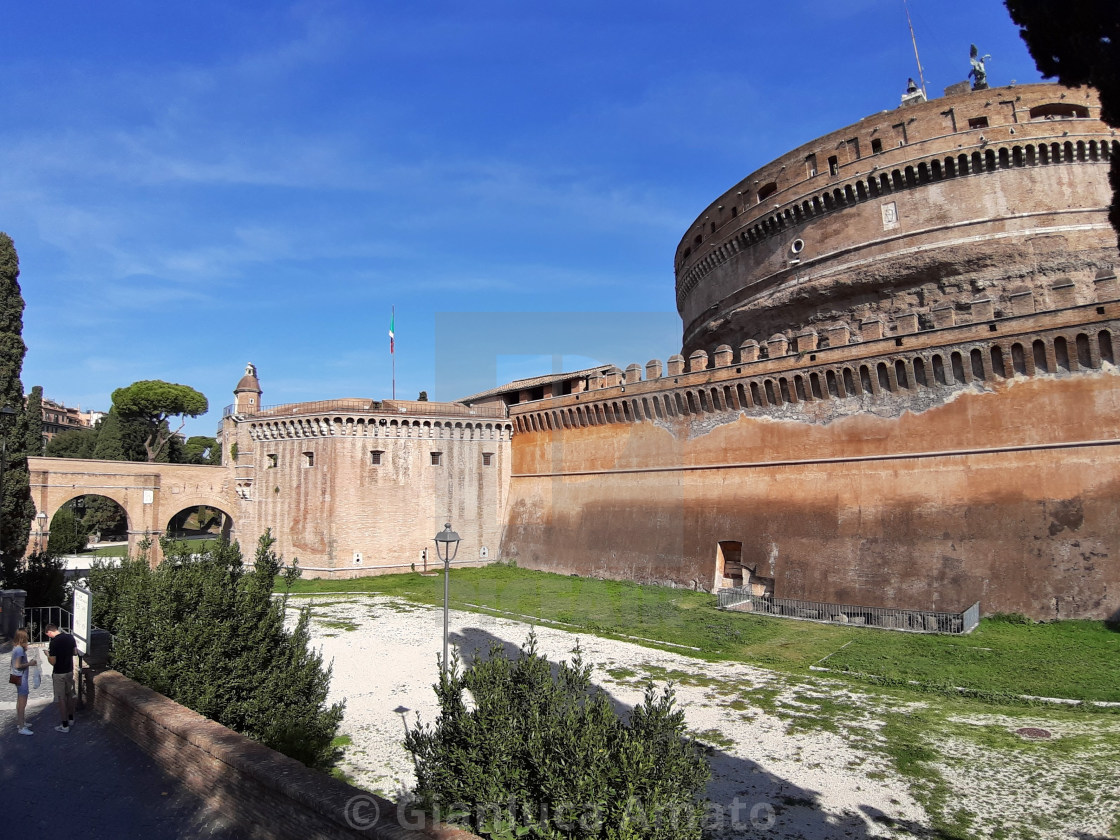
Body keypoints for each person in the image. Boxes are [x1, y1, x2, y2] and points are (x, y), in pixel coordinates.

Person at [46, 623, 77, 733]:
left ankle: (64, 725)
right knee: (70, 695)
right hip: (69, 670)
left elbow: (53, 662)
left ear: (50, 632)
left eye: (48, 634)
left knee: (61, 698)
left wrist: (47, 655)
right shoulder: (70, 637)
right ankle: (71, 718)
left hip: (59, 673)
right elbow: (75, 652)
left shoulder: (54, 643)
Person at [9, 629, 36, 735]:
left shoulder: (16, 647)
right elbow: (18, 665)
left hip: (15, 676)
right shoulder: (20, 649)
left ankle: (20, 721)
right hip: (21, 677)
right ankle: (21, 727)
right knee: (22, 703)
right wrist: (30, 664)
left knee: (19, 701)